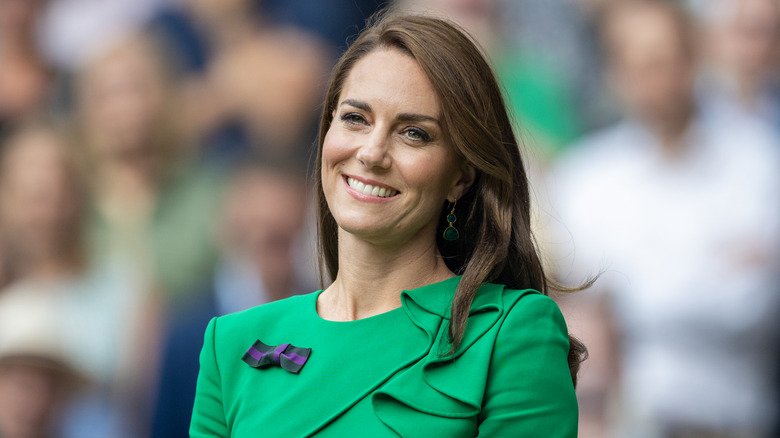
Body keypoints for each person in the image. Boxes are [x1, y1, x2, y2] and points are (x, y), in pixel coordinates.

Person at [191, 13, 582, 437]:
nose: (372, 152)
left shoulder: (514, 332)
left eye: (413, 133)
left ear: (461, 176)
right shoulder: (230, 342)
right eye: (355, 118)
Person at [549, 1, 780, 436]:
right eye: (634, 64)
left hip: (732, 420)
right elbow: (575, 318)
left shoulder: (760, 164)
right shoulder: (584, 178)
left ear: (694, 58)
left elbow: (752, 306)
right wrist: (707, 270)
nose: (652, 80)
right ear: (614, 73)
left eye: (662, 60)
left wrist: (619, 298)